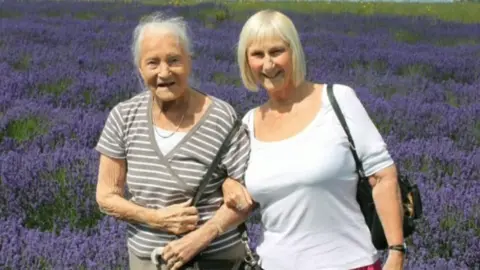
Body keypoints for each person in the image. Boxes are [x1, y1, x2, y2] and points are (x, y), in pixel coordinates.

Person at [222, 9, 406, 270]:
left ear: (294, 52)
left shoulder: (338, 100)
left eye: (276, 51)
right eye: (257, 55)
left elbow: (383, 176)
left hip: (349, 263)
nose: (268, 64)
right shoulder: (249, 123)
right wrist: (228, 184)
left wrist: (396, 253)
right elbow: (241, 193)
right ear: (246, 62)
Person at [95, 12, 252, 270]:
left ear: (189, 62)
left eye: (174, 60)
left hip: (215, 260)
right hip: (149, 261)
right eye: (153, 63)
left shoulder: (222, 117)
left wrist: (199, 238)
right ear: (140, 69)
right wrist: (157, 219)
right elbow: (106, 195)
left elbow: (246, 198)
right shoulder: (123, 117)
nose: (164, 72)